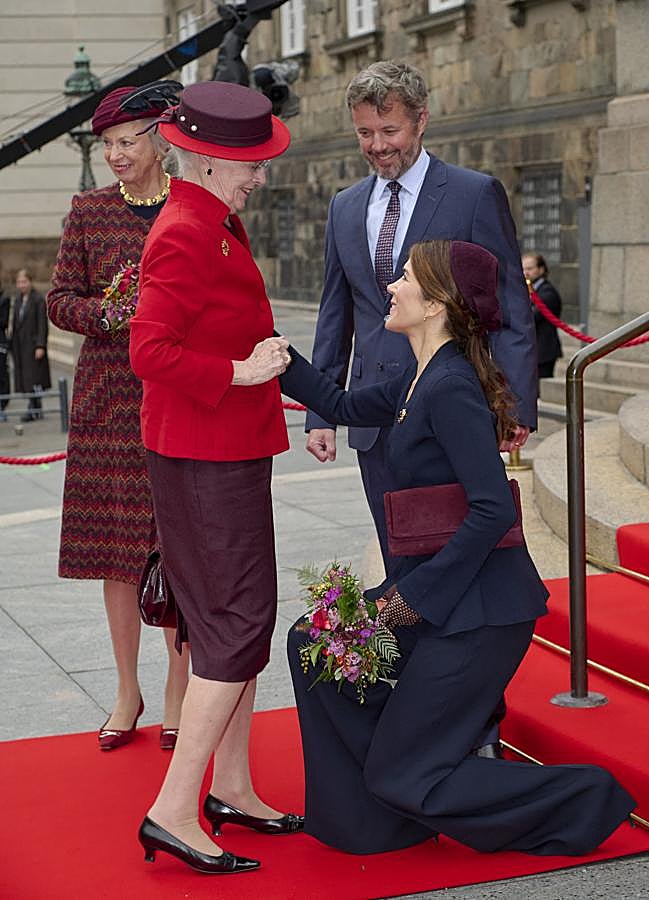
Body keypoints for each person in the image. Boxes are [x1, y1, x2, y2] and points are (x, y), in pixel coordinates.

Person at [280, 238, 635, 857]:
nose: (390, 286)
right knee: (311, 642)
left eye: (406, 278)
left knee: (404, 773)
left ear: (438, 301)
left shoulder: (449, 388)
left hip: (480, 615)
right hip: (441, 595)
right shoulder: (412, 380)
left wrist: (412, 598)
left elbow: (493, 507)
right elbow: (336, 402)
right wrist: (273, 350)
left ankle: (586, 799)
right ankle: (374, 815)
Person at [129, 81, 303, 876]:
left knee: (235, 621)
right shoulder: (185, 232)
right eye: (249, 163)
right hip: (203, 455)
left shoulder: (212, 217)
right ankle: (173, 809)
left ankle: (230, 786)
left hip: (222, 451)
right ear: (201, 160)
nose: (260, 174)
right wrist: (237, 371)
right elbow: (149, 352)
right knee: (232, 624)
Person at [305, 60, 537, 580]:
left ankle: (460, 652)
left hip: (453, 409)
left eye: (390, 130)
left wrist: (514, 405)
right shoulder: (344, 207)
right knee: (397, 555)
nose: (377, 145)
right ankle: (404, 654)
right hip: (373, 422)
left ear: (421, 121)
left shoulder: (473, 193)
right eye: (365, 132)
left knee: (460, 552)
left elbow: (510, 307)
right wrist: (321, 413)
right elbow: (334, 314)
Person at [47, 83, 189, 752]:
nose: (114, 155)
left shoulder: (194, 208)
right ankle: (125, 689)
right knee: (116, 558)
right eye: (106, 145)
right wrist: (106, 314)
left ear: (161, 140)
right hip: (107, 408)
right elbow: (58, 300)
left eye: (125, 142)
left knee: (176, 551)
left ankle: (177, 689)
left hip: (176, 400)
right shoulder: (88, 212)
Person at [11, 269, 51, 422]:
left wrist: (41, 345)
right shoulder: (19, 300)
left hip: (33, 345)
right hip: (21, 345)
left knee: (34, 378)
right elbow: (15, 324)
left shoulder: (38, 299)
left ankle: (33, 408)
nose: (21, 285)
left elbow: (42, 324)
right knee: (25, 378)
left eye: (24, 282)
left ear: (30, 282)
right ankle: (35, 406)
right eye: (19, 282)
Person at [522, 252, 563, 380]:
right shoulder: (528, 289)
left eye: (529, 268)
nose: (525, 273)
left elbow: (531, 317)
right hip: (532, 350)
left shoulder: (547, 292)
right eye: (523, 269)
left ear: (541, 269)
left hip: (543, 351)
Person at [0, 282, 9, 422]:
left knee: (1, 375)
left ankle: (2, 406)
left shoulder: (4, 299)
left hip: (0, 342)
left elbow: (3, 322)